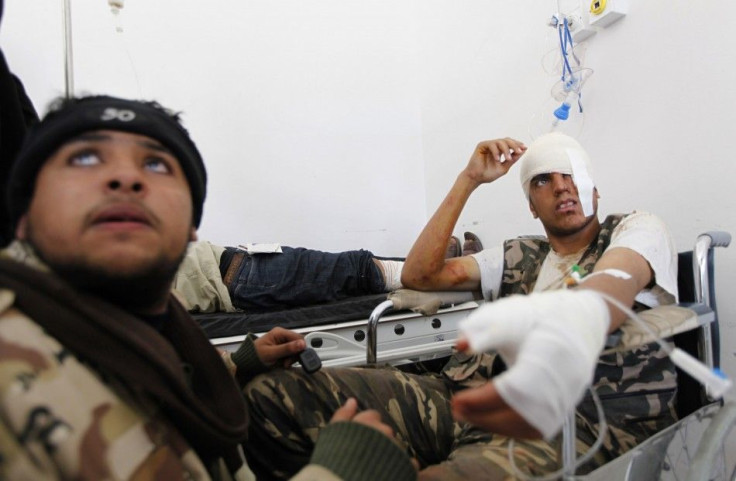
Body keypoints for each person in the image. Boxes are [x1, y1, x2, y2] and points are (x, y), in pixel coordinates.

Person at [0, 95, 418, 481]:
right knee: (353, 271)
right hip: (236, 274)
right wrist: (340, 471)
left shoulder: (148, 322)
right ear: (21, 214)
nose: (125, 178)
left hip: (234, 265)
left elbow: (166, 380)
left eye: (156, 164)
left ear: (191, 227)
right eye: (86, 157)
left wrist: (241, 362)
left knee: (350, 269)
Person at [243, 133, 679, 480]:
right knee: (270, 397)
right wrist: (469, 179)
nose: (561, 185)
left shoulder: (636, 229)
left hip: (574, 424)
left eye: (571, 173)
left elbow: (613, 285)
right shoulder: (518, 254)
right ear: (531, 206)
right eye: (543, 179)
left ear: (595, 192)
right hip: (465, 397)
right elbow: (419, 275)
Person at [174, 240, 404, 313]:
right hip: (241, 273)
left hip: (242, 272)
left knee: (363, 269)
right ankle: (427, 272)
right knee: (362, 270)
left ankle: (429, 270)